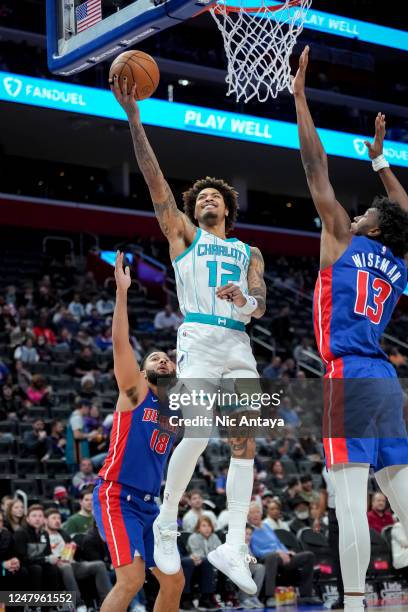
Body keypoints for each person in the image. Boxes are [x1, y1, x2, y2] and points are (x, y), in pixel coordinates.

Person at [111, 72, 267, 596]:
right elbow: (157, 184)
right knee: (197, 435)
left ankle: (234, 544)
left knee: (246, 440)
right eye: (197, 197)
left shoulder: (250, 252)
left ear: (226, 207)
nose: (204, 201)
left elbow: (259, 303)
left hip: (238, 342)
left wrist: (243, 300)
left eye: (211, 198)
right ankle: (165, 520)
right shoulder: (184, 235)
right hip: (198, 338)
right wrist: (135, 119)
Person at [293, 46, 408, 612]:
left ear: (372, 226)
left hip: (348, 373)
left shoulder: (343, 235)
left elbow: (315, 168)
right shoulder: (399, 261)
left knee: (348, 499)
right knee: (403, 495)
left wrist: (300, 98)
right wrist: (382, 163)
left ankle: (358, 604)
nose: (355, 210)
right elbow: (404, 210)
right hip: (386, 378)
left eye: (366, 210)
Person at [92, 252, 184, 612]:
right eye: (154, 358)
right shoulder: (136, 391)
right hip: (117, 497)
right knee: (131, 578)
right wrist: (122, 293)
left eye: (167, 357)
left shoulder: (175, 408)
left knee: (174, 581)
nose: (163, 359)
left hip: (151, 506)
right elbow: (120, 344)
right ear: (143, 373)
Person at [248, 503, 320, 607]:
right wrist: (277, 552)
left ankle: (306, 595)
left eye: (257, 512)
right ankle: (270, 597)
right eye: (252, 513)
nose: (255, 515)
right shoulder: (249, 530)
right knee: (272, 557)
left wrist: (287, 552)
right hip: (267, 557)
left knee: (309, 556)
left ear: (261, 514)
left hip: (282, 556)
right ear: (247, 515)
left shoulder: (266, 526)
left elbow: (278, 543)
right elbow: (256, 551)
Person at [45, 508, 111, 611]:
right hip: (56, 566)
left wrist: (75, 546)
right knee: (66, 567)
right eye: (53, 518)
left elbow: (76, 552)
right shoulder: (43, 535)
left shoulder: (63, 533)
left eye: (58, 518)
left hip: (72, 563)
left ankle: (107, 603)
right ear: (46, 520)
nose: (57, 520)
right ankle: (79, 604)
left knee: (99, 565)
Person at [13, 505, 60, 591]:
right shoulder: (20, 533)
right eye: (34, 516)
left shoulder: (44, 533)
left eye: (40, 516)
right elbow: (22, 559)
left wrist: (52, 559)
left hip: (39, 561)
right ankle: (35, 603)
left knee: (53, 568)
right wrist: (46, 559)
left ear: (44, 519)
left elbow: (48, 553)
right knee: (36, 569)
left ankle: (52, 602)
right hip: (24, 564)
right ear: (27, 519)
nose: (37, 519)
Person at [183, 517, 222, 610]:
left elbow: (220, 551)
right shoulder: (193, 537)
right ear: (198, 528)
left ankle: (209, 598)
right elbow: (197, 555)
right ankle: (204, 598)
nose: (207, 528)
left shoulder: (215, 537)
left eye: (209, 526)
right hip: (198, 564)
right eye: (204, 526)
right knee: (206, 561)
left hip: (213, 563)